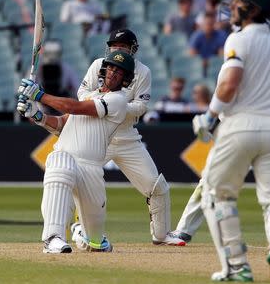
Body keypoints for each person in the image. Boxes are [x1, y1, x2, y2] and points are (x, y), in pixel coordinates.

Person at [188, 0, 270, 282]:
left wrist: (210, 117)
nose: (232, 7)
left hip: (238, 126)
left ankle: (237, 266)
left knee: (216, 195)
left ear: (252, 9)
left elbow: (229, 83)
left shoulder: (239, 40)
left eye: (238, 2)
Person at [72, 29, 185, 246]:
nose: (117, 50)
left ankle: (161, 235)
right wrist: (106, 103)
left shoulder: (142, 72)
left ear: (133, 49)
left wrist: (115, 106)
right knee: (76, 179)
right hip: (98, 134)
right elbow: (81, 95)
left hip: (126, 137)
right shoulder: (98, 65)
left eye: (122, 47)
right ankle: (78, 227)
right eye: (114, 46)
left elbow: (141, 106)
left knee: (157, 187)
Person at [16, 50, 135, 253]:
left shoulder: (119, 101)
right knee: (58, 159)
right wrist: (37, 115)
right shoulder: (90, 96)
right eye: (112, 68)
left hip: (92, 170)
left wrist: (39, 95)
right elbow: (63, 123)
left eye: (120, 72)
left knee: (95, 242)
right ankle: (53, 238)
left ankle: (85, 233)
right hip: (68, 158)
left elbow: (76, 108)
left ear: (125, 79)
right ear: (105, 69)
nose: (114, 73)